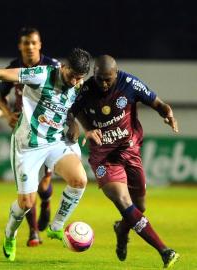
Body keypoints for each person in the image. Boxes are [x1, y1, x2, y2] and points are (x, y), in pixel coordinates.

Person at [0, 47, 91, 262]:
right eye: (71, 76)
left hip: (55, 142)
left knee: (79, 180)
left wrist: (78, 125)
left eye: (79, 78)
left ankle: (56, 226)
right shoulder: (42, 74)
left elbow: (72, 107)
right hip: (28, 146)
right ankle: (10, 234)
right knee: (26, 203)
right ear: (64, 66)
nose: (74, 81)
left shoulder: (78, 84)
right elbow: (2, 74)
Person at [67, 55, 180, 268]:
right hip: (103, 157)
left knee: (140, 206)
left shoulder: (129, 84)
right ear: (94, 75)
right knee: (122, 199)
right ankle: (164, 251)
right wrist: (85, 128)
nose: (103, 83)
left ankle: (122, 230)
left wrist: (169, 115)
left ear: (116, 74)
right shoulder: (85, 90)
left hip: (129, 151)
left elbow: (158, 103)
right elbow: (72, 112)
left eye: (108, 79)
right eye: (99, 78)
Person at [0, 27, 60, 246]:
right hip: (25, 132)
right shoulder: (14, 67)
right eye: (26, 43)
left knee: (43, 185)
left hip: (48, 132)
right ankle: (33, 232)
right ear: (20, 46)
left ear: (40, 44)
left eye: (33, 43)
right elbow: (0, 95)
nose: (30, 47)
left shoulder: (52, 66)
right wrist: (7, 115)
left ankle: (47, 202)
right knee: (29, 187)